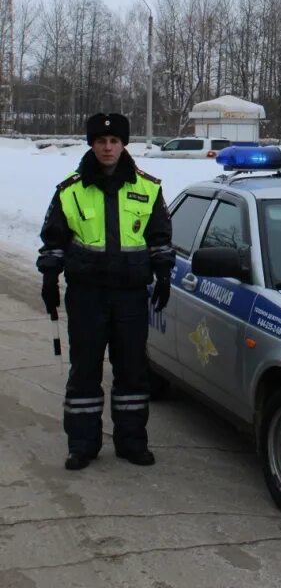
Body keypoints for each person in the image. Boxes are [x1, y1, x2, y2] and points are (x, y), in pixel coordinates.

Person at [37, 112, 175, 471]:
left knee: (131, 371)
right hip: (86, 296)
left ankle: (132, 442)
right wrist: (49, 279)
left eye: (114, 141)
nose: (108, 147)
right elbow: (53, 240)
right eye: (101, 141)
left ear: (123, 144)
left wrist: (163, 275)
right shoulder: (70, 190)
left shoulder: (148, 187)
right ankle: (82, 444)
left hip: (130, 296)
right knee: (85, 371)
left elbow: (160, 237)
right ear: (92, 144)